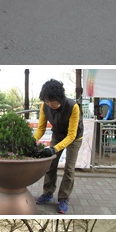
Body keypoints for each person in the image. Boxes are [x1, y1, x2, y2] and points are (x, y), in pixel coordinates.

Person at [34, 79, 84, 214]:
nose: (49, 104)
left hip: (74, 138)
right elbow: (41, 129)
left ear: (59, 98)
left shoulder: (73, 107)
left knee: (69, 168)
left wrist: (54, 149)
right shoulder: (44, 106)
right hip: (57, 135)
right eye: (46, 101)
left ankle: (63, 197)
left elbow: (71, 135)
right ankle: (48, 193)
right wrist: (33, 140)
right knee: (51, 165)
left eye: (51, 101)